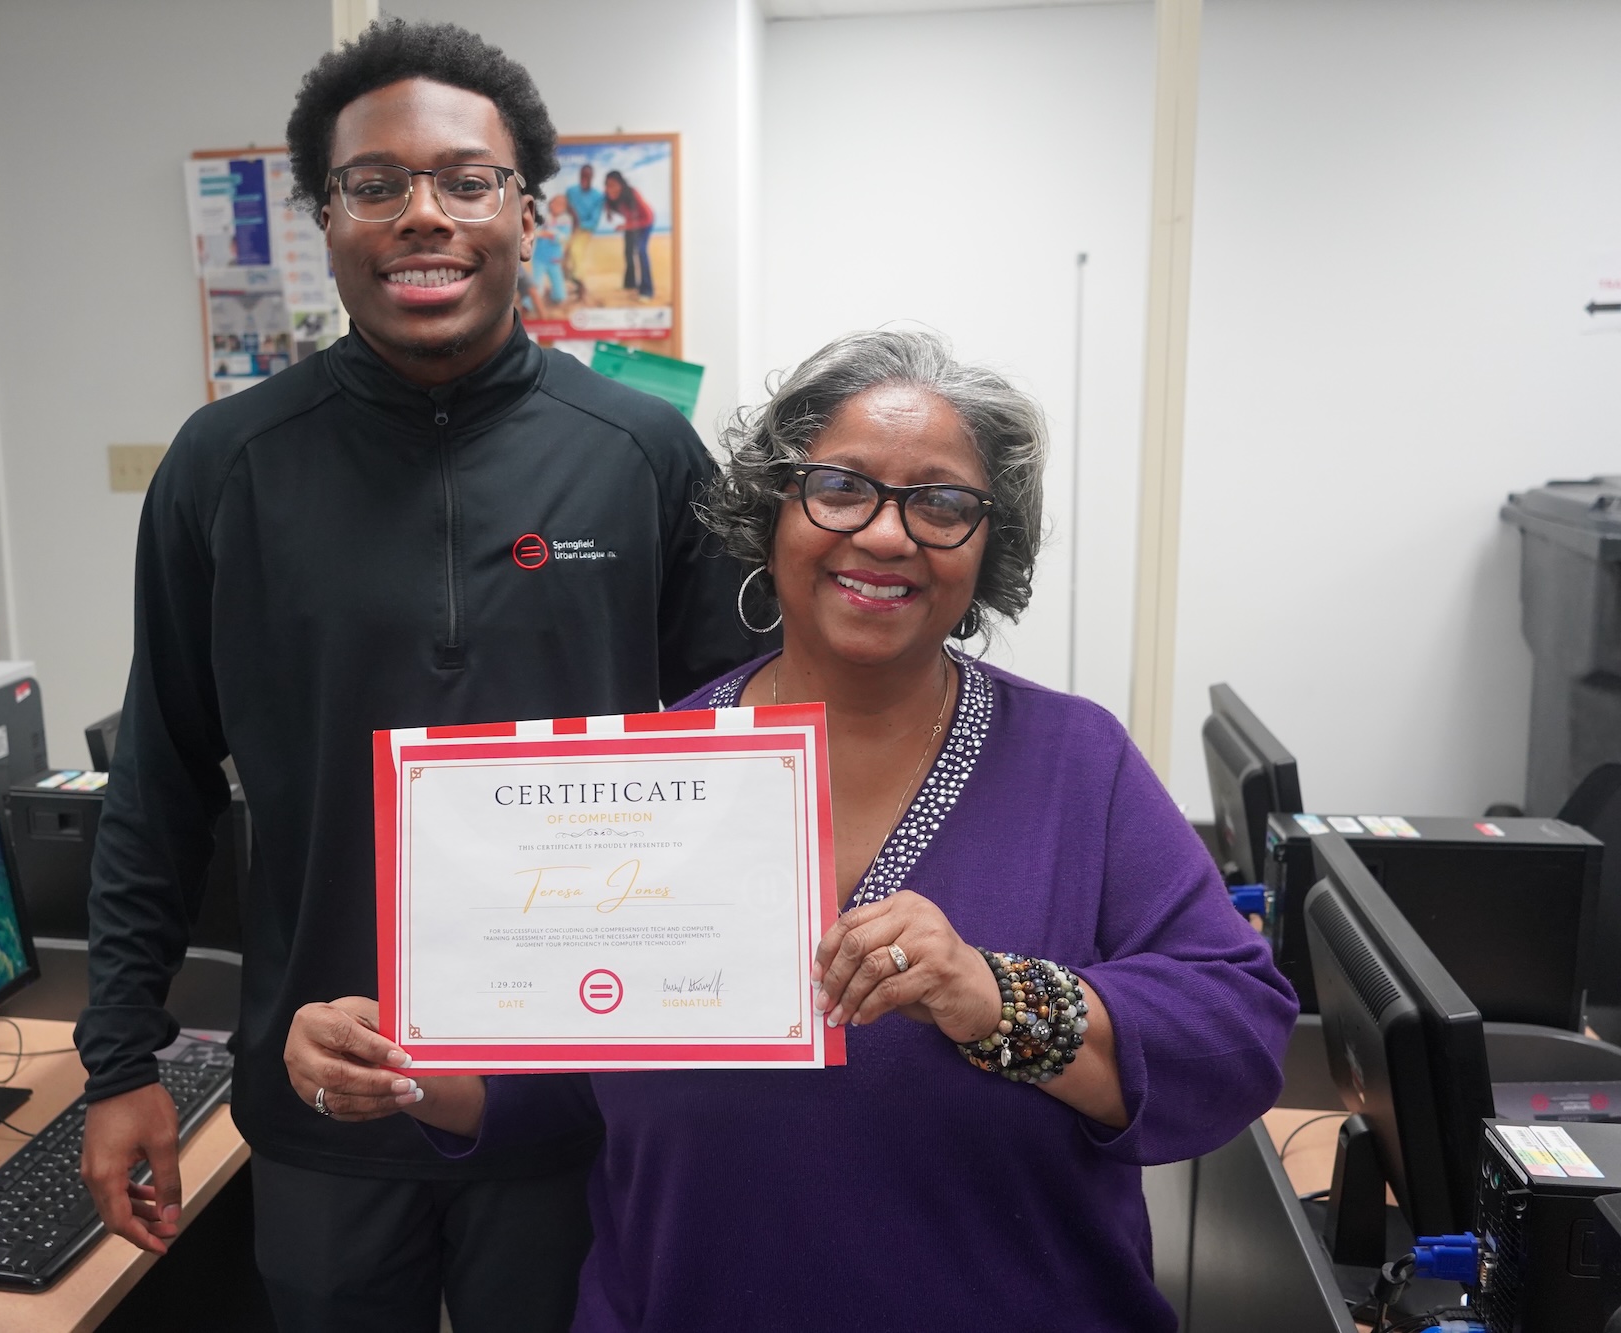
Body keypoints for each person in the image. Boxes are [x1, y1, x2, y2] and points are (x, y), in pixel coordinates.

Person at [286, 329, 1299, 1330]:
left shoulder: (1074, 761)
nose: (887, 535)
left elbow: (1236, 1037)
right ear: (770, 511)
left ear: (986, 547)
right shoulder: (647, 775)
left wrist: (993, 998)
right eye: (840, 487)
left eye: (942, 503)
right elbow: (571, 1078)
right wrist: (397, 1064)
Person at [73, 19, 761, 1333]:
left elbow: (737, 771)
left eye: (465, 179)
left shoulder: (644, 456)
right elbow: (158, 783)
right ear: (327, 220)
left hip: (576, 1104)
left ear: (528, 212)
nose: (422, 214)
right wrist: (118, 1064)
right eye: (375, 183)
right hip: (325, 1098)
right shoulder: (226, 466)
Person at [602, 170, 654, 300]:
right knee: (628, 252)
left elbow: (647, 217)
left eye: (614, 185)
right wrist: (608, 212)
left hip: (645, 222)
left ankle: (646, 290)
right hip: (631, 223)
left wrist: (626, 226)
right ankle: (630, 284)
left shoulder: (632, 193)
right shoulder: (607, 196)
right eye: (608, 185)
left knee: (641, 251)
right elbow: (606, 203)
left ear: (621, 184)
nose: (611, 189)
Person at [562, 163, 604, 301]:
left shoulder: (598, 196)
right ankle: (575, 283)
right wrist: (570, 217)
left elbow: (594, 221)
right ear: (579, 175)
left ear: (592, 177)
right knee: (562, 258)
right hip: (568, 229)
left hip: (585, 230)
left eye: (588, 176)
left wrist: (579, 223)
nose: (584, 178)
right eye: (582, 175)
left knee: (576, 251)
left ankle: (581, 287)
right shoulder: (571, 191)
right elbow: (566, 209)